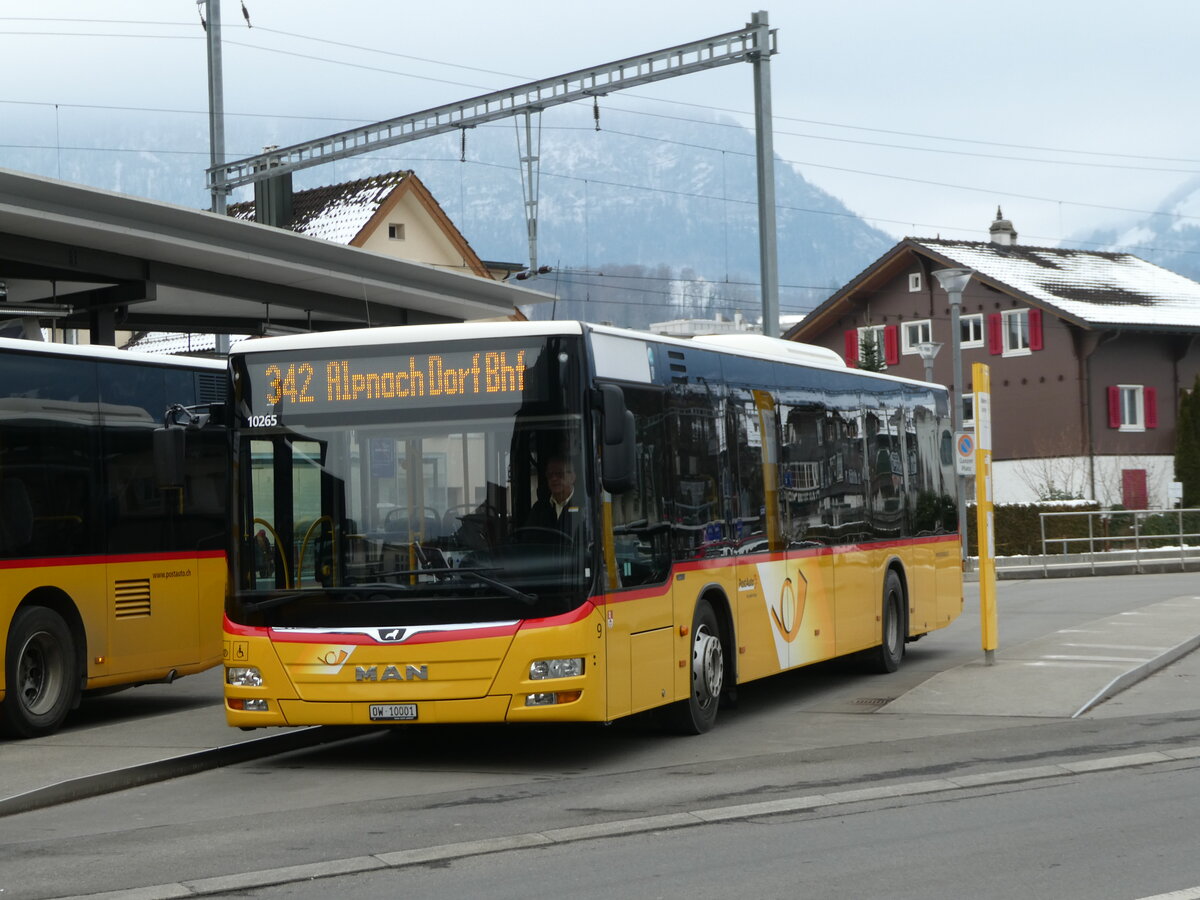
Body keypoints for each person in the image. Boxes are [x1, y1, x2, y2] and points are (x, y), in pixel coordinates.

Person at [523, 455, 583, 542]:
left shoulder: (585, 506)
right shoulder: (539, 509)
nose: (554, 479)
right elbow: (526, 540)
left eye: (559, 474)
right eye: (550, 475)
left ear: (572, 477)